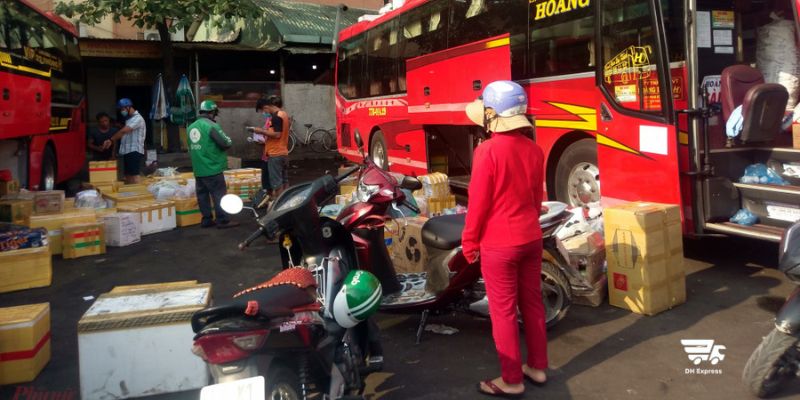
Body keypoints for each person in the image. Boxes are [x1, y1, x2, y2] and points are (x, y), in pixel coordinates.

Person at [461, 81, 548, 398]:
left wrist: (469, 244)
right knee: (533, 303)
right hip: (531, 238)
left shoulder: (487, 151)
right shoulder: (534, 149)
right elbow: (537, 201)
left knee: (504, 312)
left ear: (491, 115)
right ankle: (537, 367)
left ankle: (511, 379)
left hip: (500, 244)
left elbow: (478, 205)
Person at [187, 100, 239, 229]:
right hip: (212, 167)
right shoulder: (211, 126)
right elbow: (225, 143)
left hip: (199, 168)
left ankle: (206, 220)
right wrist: (228, 139)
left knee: (202, 195)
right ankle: (222, 220)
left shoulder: (191, 127)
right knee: (219, 195)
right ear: (212, 112)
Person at [251, 95, 290, 198]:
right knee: (284, 181)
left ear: (266, 107)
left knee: (277, 184)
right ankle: (286, 203)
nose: (264, 113)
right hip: (283, 152)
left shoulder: (276, 116)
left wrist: (260, 131)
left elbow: (277, 134)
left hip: (275, 154)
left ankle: (279, 206)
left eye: (263, 110)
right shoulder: (284, 114)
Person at [104, 98, 146, 184]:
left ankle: (138, 194)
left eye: (122, 109)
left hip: (134, 150)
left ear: (128, 107)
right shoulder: (129, 119)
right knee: (128, 175)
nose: (121, 111)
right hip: (128, 150)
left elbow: (123, 131)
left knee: (134, 175)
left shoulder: (138, 118)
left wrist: (111, 140)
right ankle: (132, 193)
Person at [248, 98, 273, 193]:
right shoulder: (268, 119)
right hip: (266, 154)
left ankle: (274, 200)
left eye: (262, 110)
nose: (263, 112)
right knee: (266, 180)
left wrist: (261, 133)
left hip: (272, 154)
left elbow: (276, 136)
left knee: (274, 181)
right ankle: (269, 198)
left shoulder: (275, 119)